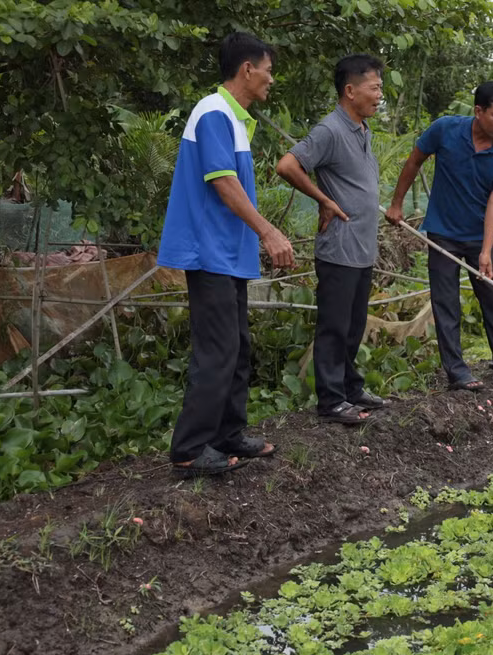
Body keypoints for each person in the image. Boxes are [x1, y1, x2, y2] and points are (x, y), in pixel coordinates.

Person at [157, 32, 294, 477]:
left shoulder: (234, 119)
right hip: (209, 251)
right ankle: (189, 450)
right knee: (216, 351)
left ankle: (227, 435)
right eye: (269, 70)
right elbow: (222, 181)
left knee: (237, 348)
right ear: (248, 69)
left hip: (229, 254)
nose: (271, 79)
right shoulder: (214, 112)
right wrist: (268, 231)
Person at [386, 81, 493, 392]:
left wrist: (486, 251)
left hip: (480, 236)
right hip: (443, 233)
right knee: (446, 303)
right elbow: (414, 161)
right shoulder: (445, 130)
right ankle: (457, 371)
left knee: (492, 296)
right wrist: (396, 203)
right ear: (478, 112)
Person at [277, 55, 387, 424]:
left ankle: (351, 387)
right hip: (339, 247)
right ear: (350, 90)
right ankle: (331, 400)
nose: (379, 95)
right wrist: (323, 199)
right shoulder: (330, 130)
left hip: (362, 248)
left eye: (380, 88)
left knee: (354, 324)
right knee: (334, 325)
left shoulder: (362, 130)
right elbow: (287, 165)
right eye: (374, 88)